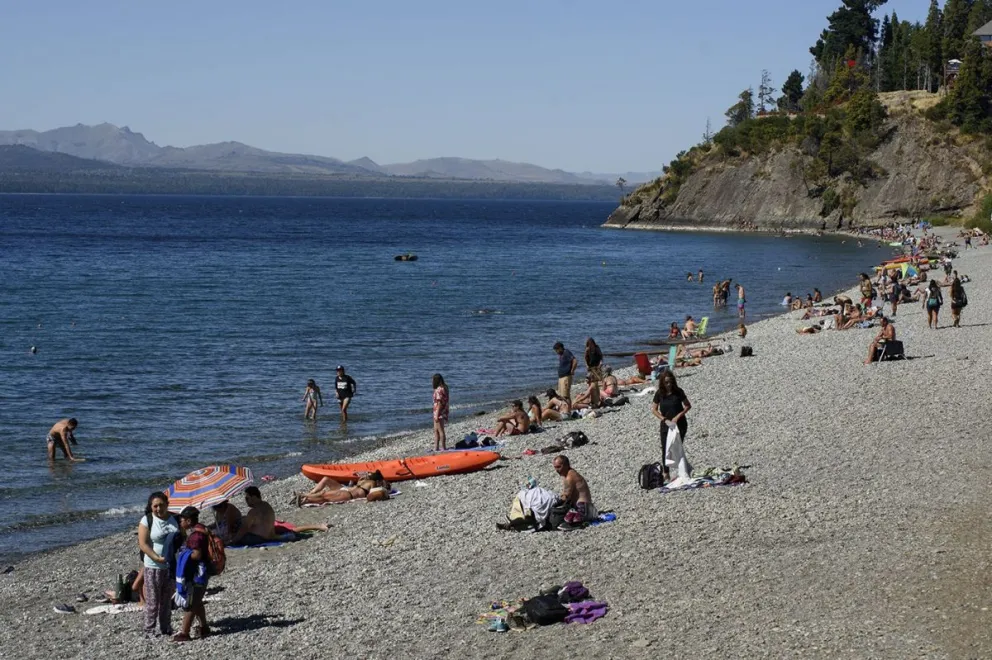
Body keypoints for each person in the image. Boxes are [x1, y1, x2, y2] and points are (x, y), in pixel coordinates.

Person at [137, 491, 179, 638]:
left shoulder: (174, 519)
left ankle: (166, 627)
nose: (159, 509)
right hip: (153, 566)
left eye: (161, 505)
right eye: (155, 506)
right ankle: (149, 630)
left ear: (167, 505)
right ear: (151, 507)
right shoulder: (147, 520)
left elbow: (180, 539)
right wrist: (156, 557)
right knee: (153, 601)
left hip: (170, 566)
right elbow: (143, 544)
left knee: (167, 601)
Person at [172, 507, 209, 642]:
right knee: (197, 600)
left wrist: (184, 554)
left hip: (198, 574)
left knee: (191, 603)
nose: (180, 522)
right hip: (203, 572)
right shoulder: (201, 529)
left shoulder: (195, 536)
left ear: (188, 520)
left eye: (181, 520)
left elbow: (197, 554)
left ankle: (184, 632)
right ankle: (204, 627)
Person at [651, 371, 692, 483]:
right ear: (662, 383)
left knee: (677, 448)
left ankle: (682, 470)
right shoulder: (660, 393)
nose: (668, 384)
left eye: (670, 382)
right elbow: (654, 409)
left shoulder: (678, 392)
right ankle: (666, 473)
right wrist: (663, 418)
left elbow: (688, 406)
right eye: (666, 382)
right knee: (666, 448)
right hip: (666, 424)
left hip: (680, 424)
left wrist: (678, 416)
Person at [296, 471, 390, 506]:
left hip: (348, 494)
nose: (368, 473)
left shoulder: (372, 483)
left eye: (370, 473)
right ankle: (307, 496)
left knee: (325, 496)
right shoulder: (364, 480)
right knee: (326, 479)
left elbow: (372, 494)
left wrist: (383, 488)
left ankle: (304, 498)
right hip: (346, 490)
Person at [552, 455, 594, 527]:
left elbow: (566, 496)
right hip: (583, 506)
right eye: (555, 467)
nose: (557, 470)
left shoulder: (570, 477)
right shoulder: (568, 473)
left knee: (563, 520)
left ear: (566, 465)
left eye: (559, 467)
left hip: (583, 507)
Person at [431, 373, 449, 451]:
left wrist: (437, 414)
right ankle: (436, 447)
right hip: (443, 410)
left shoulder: (438, 390)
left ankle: (443, 447)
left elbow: (439, 403)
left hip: (439, 411)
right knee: (436, 430)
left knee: (440, 430)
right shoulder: (445, 387)